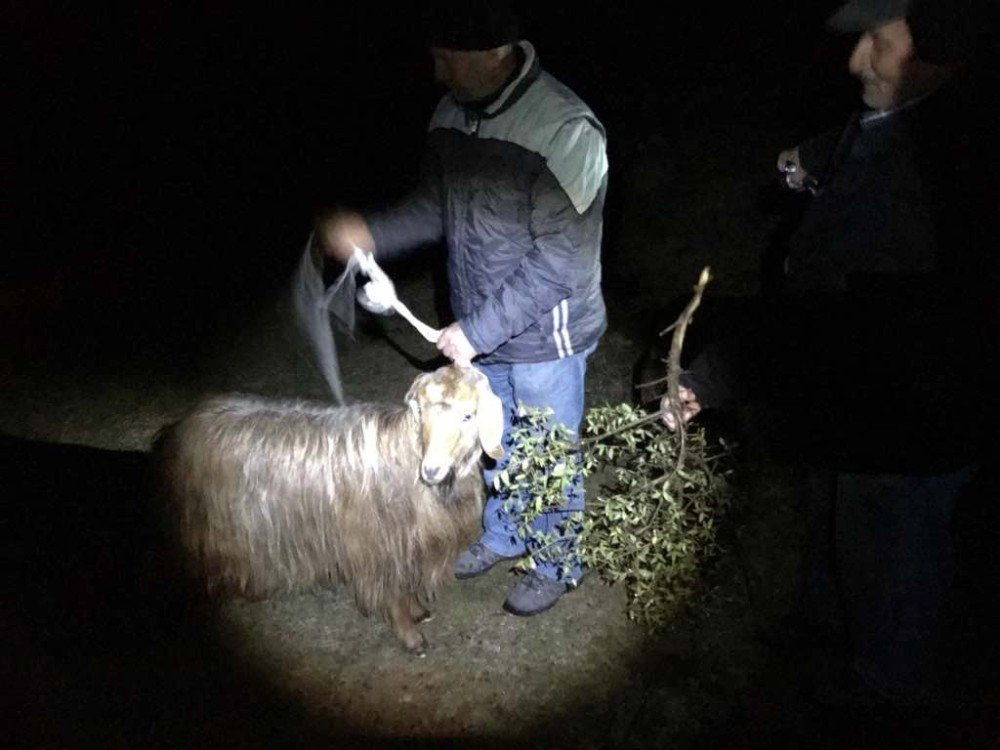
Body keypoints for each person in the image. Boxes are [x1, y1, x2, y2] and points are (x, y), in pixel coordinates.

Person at [661, 0, 997, 706]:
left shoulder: (934, 179)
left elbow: (831, 325)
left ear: (946, 41)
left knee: (893, 565)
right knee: (840, 532)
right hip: (867, 401)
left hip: (912, 427)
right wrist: (812, 159)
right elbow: (864, 136)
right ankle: (828, 635)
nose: (855, 62)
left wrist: (712, 378)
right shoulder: (911, 115)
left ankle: (884, 699)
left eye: (879, 42)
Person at [316, 1, 609, 616]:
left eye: (448, 59)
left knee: (545, 450)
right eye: (435, 57)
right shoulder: (453, 114)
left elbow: (562, 262)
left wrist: (473, 332)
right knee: (491, 443)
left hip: (544, 337)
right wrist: (373, 232)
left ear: (495, 53)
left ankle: (557, 560)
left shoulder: (566, 129)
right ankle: (503, 533)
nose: (438, 73)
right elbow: (434, 205)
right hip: (481, 326)